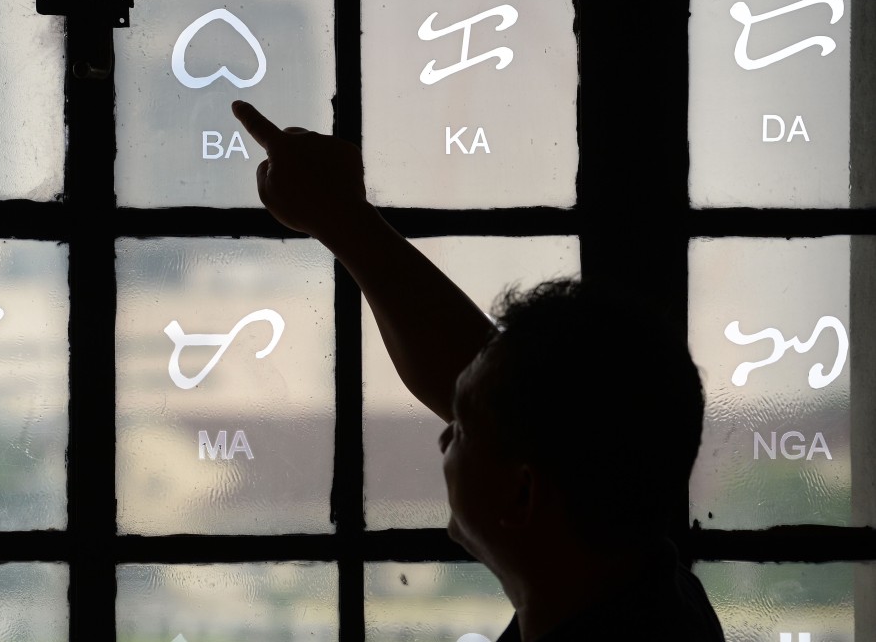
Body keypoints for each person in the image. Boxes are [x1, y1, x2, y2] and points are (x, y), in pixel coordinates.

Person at [230, 100, 725, 641]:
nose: (444, 435)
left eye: (463, 429)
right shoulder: (648, 590)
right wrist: (344, 219)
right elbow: (501, 385)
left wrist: (345, 218)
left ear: (523, 494)